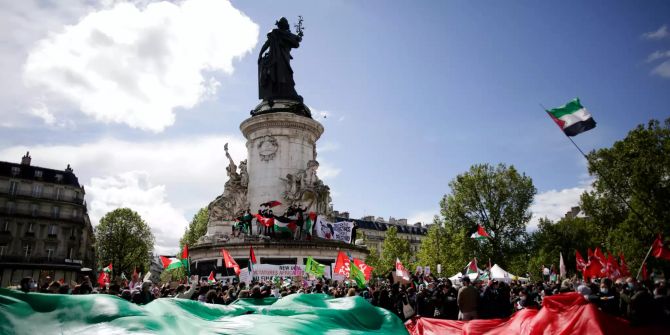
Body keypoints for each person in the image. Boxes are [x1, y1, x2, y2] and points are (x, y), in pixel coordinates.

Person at [258, 17, 303, 102]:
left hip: (281, 59)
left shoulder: (279, 34)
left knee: (282, 74)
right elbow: (296, 43)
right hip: (276, 58)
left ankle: (281, 91)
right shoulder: (277, 33)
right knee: (279, 74)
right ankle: (277, 91)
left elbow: (296, 44)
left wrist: (260, 54)